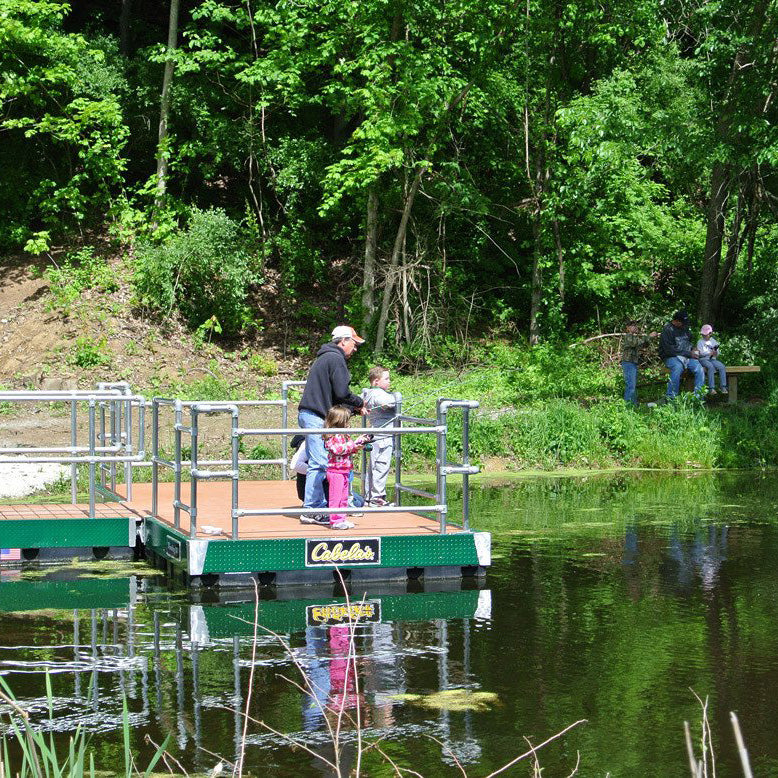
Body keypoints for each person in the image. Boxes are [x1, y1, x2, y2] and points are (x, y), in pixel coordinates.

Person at [298, 326, 366, 526]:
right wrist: (359, 403)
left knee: (319, 462)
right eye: (354, 344)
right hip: (315, 416)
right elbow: (342, 393)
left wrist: (354, 409)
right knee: (320, 463)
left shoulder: (326, 357)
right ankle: (312, 509)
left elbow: (333, 396)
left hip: (313, 414)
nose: (355, 349)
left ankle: (319, 507)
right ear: (343, 341)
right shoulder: (336, 359)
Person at [322, 405, 372, 530]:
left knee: (344, 497)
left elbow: (349, 449)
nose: (348, 423)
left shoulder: (345, 435)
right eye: (346, 421)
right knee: (336, 497)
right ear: (339, 421)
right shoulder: (331, 435)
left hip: (345, 470)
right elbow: (337, 449)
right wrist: (352, 445)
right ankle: (335, 521)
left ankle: (342, 518)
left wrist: (359, 443)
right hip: (335, 471)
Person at [361, 366, 397, 504]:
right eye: (386, 379)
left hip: (379, 435)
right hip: (382, 436)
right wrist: (396, 397)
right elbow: (387, 403)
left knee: (375, 466)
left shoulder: (369, 393)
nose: (389, 382)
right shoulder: (377, 393)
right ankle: (377, 497)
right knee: (381, 465)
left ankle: (371, 496)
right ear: (376, 381)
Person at [658, 309, 704, 399]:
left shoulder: (685, 328)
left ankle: (698, 397)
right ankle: (671, 397)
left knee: (699, 369)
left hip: (686, 356)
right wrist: (689, 353)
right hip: (670, 357)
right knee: (677, 367)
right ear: (676, 321)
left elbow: (688, 342)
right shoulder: (667, 330)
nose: (684, 325)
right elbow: (669, 350)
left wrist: (693, 349)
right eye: (682, 322)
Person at [620, 321, 658, 406]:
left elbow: (644, 345)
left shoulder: (635, 337)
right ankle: (629, 405)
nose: (635, 327)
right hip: (628, 363)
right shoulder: (628, 336)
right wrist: (649, 336)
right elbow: (635, 343)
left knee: (632, 384)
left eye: (636, 326)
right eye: (633, 326)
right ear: (628, 328)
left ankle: (633, 404)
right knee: (631, 385)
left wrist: (650, 338)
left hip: (633, 363)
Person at [696, 325, 728, 395]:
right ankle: (711, 388)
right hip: (703, 360)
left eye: (705, 334)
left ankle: (723, 386)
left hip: (712, 359)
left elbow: (718, 352)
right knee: (710, 366)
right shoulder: (700, 342)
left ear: (710, 334)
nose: (704, 336)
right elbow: (700, 353)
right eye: (703, 334)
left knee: (722, 366)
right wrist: (709, 353)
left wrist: (715, 353)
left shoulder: (713, 341)